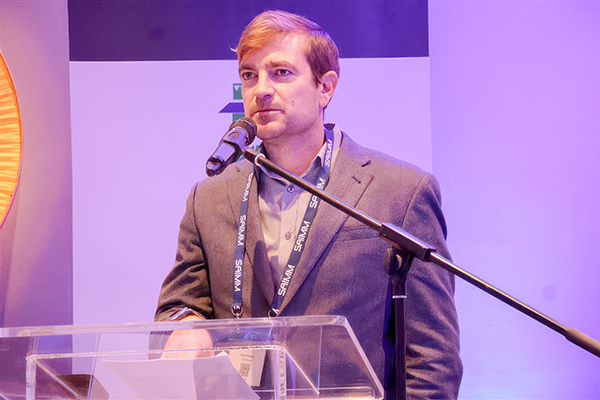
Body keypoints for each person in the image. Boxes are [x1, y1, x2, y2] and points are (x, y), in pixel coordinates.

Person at [155, 10, 462, 399]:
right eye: (249, 75)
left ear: (325, 88)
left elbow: (433, 358)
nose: (260, 90)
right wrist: (186, 327)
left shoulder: (401, 192)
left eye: (281, 72)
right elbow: (176, 309)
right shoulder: (210, 197)